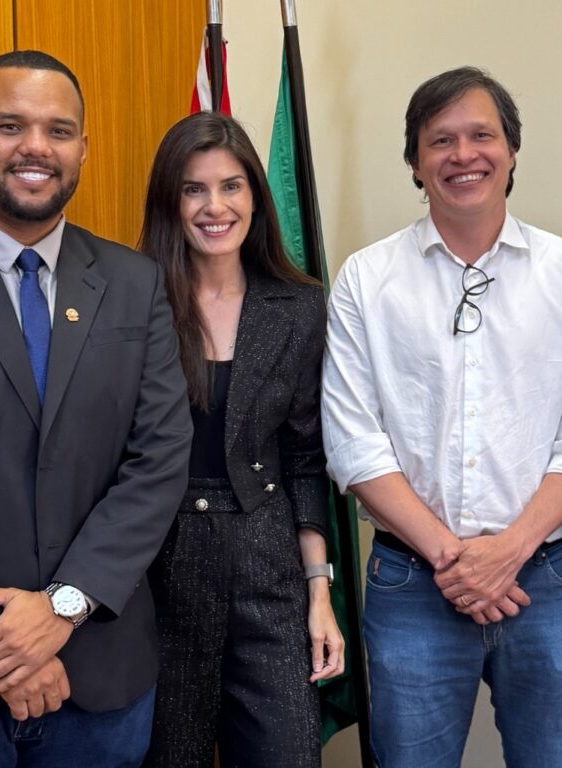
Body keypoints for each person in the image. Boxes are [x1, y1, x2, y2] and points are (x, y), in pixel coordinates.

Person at [322, 66, 562, 768]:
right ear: (415, 163)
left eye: (481, 135)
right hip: (411, 583)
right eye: (440, 140)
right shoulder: (366, 278)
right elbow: (354, 440)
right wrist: (455, 561)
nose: (463, 155)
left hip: (545, 577)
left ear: (511, 150)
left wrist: (507, 551)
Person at [0, 50, 192, 766]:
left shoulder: (134, 282)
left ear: (83, 148)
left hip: (100, 677)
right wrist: (6, 640)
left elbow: (159, 460)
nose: (36, 147)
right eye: (10, 126)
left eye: (58, 130)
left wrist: (62, 609)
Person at [139, 111, 344, 768]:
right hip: (159, 574)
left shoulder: (300, 305)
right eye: (194, 189)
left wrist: (319, 594)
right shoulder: (133, 301)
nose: (215, 206)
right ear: (170, 201)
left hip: (270, 572)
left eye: (231, 186)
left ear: (255, 194)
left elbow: (305, 459)